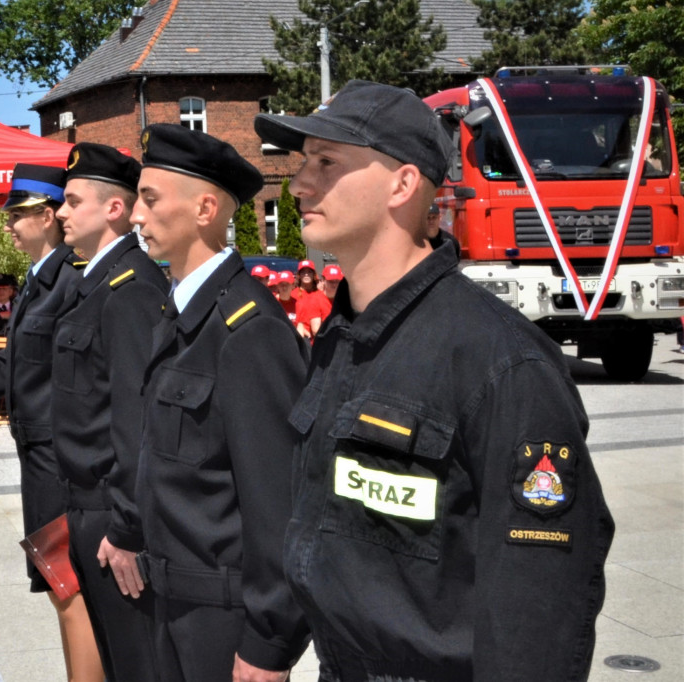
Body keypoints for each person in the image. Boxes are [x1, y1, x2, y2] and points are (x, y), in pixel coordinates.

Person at [255, 79, 614, 681]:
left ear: (402, 184)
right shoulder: (344, 335)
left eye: (326, 162)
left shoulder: (500, 360)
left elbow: (538, 604)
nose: (298, 184)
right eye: (301, 163)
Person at [132, 123, 311, 682]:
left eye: (149, 199)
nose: (135, 216)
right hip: (171, 599)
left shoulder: (248, 328)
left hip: (223, 618)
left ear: (205, 208)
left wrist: (269, 641)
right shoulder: (182, 312)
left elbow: (278, 502)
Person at [0, 163, 105, 682]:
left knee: (70, 589)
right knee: (59, 589)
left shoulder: (73, 282)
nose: (7, 224)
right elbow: (14, 364)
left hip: (60, 457)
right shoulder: (42, 280)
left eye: (17, 214)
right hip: (38, 455)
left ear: (49, 216)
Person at [50, 142, 166, 680]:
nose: (60, 213)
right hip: (85, 506)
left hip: (109, 514)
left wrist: (125, 527)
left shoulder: (131, 287)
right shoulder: (94, 282)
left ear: (113, 209)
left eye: (73, 202)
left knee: (133, 662)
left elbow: (137, 423)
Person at [295, 263, 331, 341]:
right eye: (303, 272)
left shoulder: (320, 295)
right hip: (298, 337)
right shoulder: (293, 295)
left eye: (309, 272)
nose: (306, 274)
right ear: (299, 275)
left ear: (314, 274)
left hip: (317, 339)